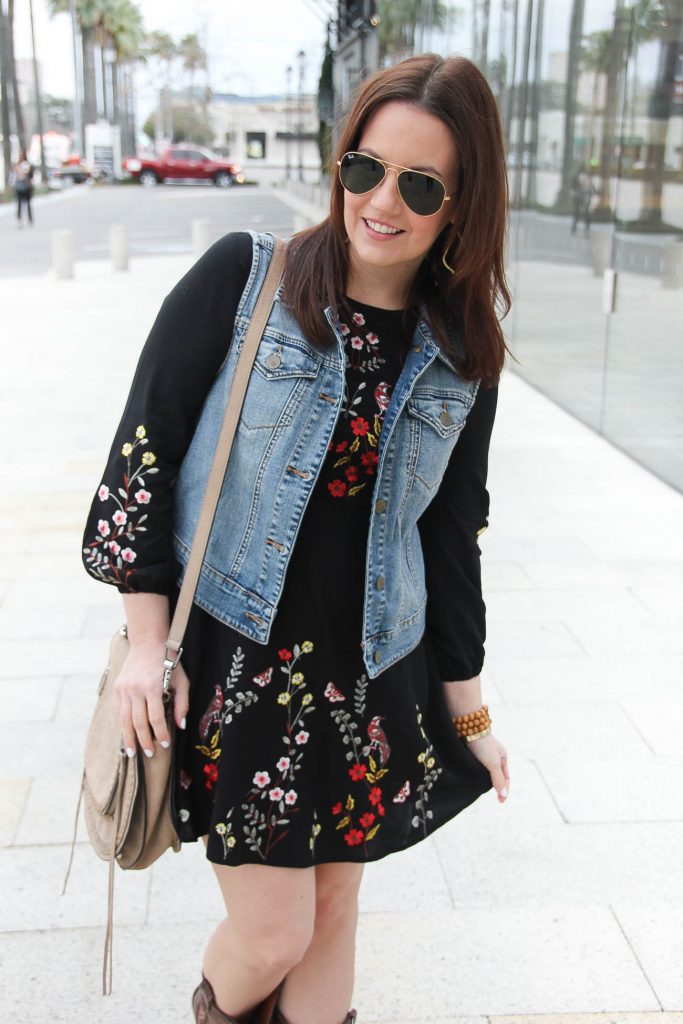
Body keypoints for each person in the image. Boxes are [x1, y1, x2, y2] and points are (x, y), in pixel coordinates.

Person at [81, 52, 512, 1024]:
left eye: (420, 184)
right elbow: (141, 458)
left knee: (333, 904)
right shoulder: (246, 279)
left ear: (462, 202)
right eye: (364, 167)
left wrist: (471, 712)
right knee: (272, 931)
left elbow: (452, 537)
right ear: (341, 162)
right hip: (240, 662)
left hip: (369, 668)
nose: (381, 201)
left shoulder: (460, 351)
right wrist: (146, 647)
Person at [12, 149, 34, 228]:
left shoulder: (27, 164)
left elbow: (31, 175)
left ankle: (30, 219)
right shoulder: (16, 165)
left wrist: (26, 176)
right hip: (19, 186)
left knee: (28, 203)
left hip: (27, 186)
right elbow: (13, 176)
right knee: (19, 204)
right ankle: (20, 219)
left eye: (22, 155)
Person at [571, 164, 594, 236]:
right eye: (586, 168)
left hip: (586, 196)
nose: (588, 169)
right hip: (579, 196)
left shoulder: (589, 176)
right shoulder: (579, 175)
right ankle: (574, 228)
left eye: (588, 168)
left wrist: (593, 192)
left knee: (587, 214)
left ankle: (587, 229)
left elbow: (591, 186)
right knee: (577, 213)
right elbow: (574, 185)